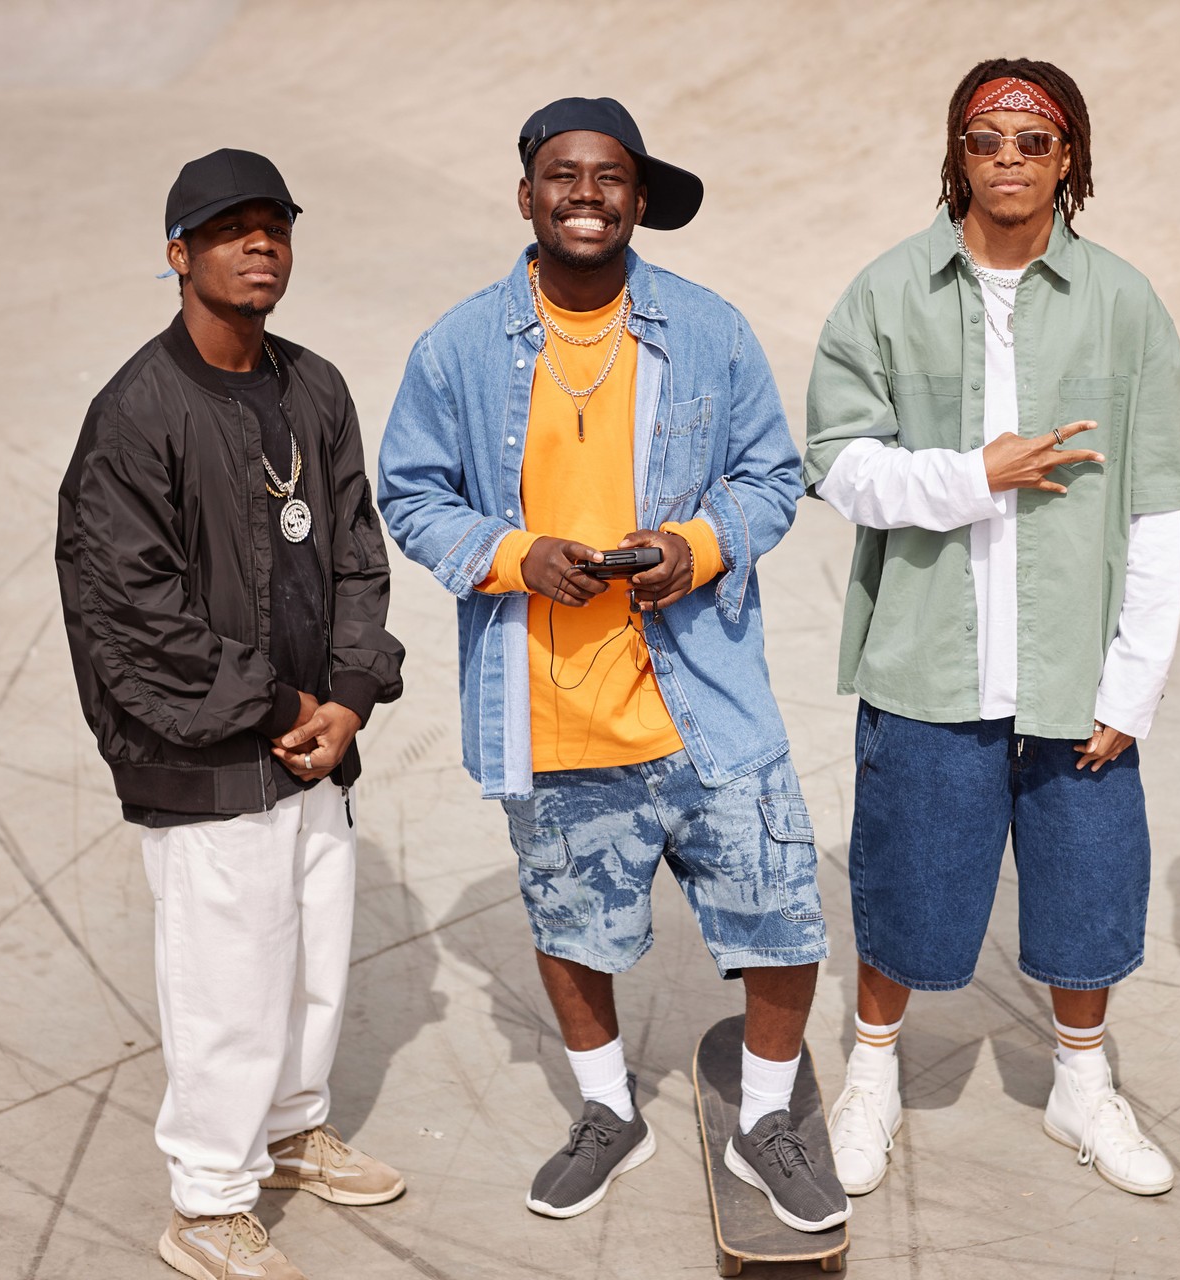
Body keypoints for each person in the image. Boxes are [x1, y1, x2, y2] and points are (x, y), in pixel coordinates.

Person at [376, 97, 848, 1233]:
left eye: (609, 178)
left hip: (707, 703)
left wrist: (692, 547)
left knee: (780, 914)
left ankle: (768, 1118)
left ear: (638, 199)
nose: (585, 194)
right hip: (549, 707)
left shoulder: (708, 329)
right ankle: (606, 1111)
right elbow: (412, 490)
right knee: (569, 923)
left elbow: (773, 477)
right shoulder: (457, 345)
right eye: (562, 174)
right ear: (527, 193)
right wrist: (511, 554)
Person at [802, 60, 1180, 1199]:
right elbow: (836, 463)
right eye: (987, 138)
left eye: (1035, 141)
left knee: (1089, 893)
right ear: (958, 152)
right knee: (904, 887)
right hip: (930, 663)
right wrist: (968, 477)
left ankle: (1081, 1088)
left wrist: (1133, 683)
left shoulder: (1123, 302)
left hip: (1076, 672)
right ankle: (872, 1076)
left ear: (1068, 156)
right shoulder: (888, 291)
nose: (1010, 159)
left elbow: (1157, 501)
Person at [55, 149, 406, 1280]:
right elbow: (133, 611)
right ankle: (208, 1198)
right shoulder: (136, 413)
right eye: (230, 229)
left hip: (314, 745)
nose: (261, 245)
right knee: (227, 979)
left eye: (276, 227)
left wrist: (349, 696)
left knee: (312, 960)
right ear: (179, 255)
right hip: (204, 755)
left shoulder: (315, 387)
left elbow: (358, 555)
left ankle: (291, 1129)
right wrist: (281, 704)